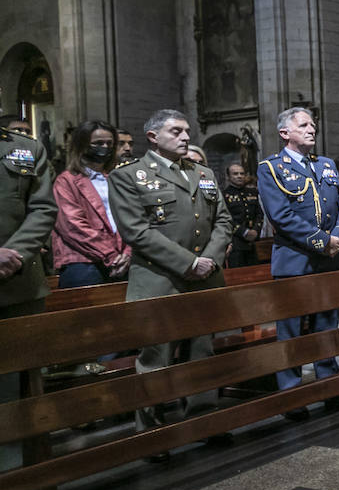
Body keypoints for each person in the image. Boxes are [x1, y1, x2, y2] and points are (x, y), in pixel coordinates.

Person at [109, 109, 233, 457]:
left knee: (202, 352)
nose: (185, 137)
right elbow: (137, 231)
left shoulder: (203, 172)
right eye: (175, 131)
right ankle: (150, 432)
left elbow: (223, 220)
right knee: (155, 357)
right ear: (152, 137)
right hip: (159, 280)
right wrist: (189, 262)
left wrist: (206, 259)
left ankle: (204, 419)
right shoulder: (129, 176)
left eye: (187, 131)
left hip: (205, 279)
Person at [257, 106, 339, 414]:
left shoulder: (325, 164)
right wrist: (323, 242)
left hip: (329, 260)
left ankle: (328, 381)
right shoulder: (271, 168)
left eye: (313, 124)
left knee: (327, 324)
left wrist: (337, 235)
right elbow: (281, 216)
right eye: (304, 125)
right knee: (292, 331)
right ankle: (291, 393)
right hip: (294, 261)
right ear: (285, 133)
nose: (312, 129)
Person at [1, 119, 56, 471]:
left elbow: (43, 208)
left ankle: (17, 472)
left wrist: (13, 253)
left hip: (18, 281)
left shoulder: (26, 148)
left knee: (20, 385)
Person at [52, 120, 131, 288]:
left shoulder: (114, 178)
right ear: (82, 145)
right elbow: (72, 226)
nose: (105, 147)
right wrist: (110, 254)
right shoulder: (67, 180)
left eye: (110, 143)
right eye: (98, 143)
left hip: (121, 259)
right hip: (83, 261)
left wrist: (128, 252)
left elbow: (130, 218)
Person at [222, 161, 263, 268]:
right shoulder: (224, 195)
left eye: (242, 173)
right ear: (228, 177)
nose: (239, 176)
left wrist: (255, 230)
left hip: (253, 242)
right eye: (235, 174)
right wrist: (244, 232)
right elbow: (225, 218)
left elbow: (259, 214)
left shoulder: (252, 192)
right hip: (236, 242)